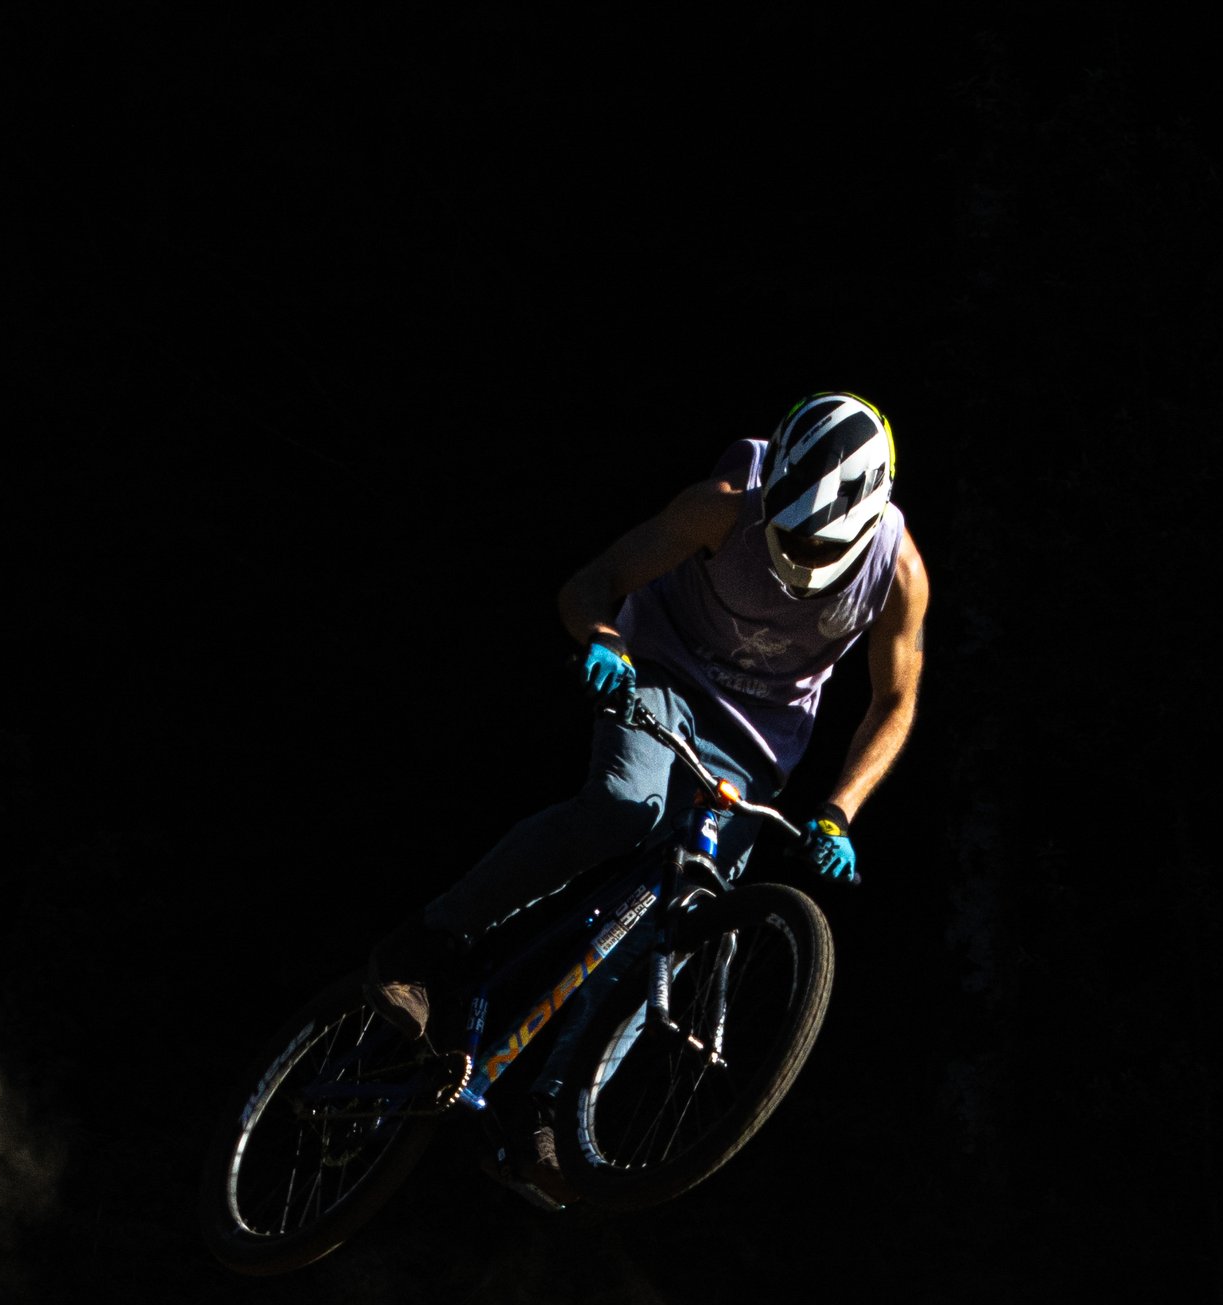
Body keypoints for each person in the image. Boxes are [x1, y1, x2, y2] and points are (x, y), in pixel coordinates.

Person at [367, 394, 931, 1039]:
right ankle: (429, 942)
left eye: (816, 542)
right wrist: (605, 639)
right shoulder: (721, 506)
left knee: (685, 914)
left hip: (759, 737)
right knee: (623, 805)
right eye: (790, 532)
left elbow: (895, 700)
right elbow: (594, 581)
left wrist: (840, 812)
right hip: (665, 672)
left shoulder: (898, 574)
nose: (799, 554)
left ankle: (561, 1108)